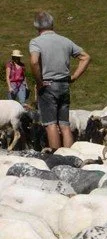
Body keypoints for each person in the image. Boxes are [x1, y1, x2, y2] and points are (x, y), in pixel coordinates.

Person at [28, 11, 90, 149]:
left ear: (36, 27)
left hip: (47, 85)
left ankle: (56, 159)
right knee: (64, 124)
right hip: (64, 85)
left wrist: (39, 82)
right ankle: (70, 156)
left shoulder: (36, 42)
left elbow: (33, 62)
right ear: (52, 24)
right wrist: (74, 77)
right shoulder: (65, 41)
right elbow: (85, 57)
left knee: (50, 124)